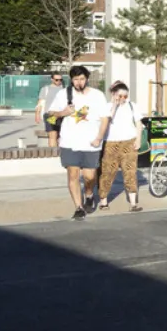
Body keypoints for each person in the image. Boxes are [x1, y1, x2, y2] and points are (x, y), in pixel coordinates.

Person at [47, 65, 108, 219]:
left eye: (81, 79)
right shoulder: (63, 94)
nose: (79, 82)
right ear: (71, 80)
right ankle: (78, 207)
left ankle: (88, 194)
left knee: (89, 176)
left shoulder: (98, 95)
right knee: (73, 175)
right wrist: (63, 112)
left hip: (91, 143)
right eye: (75, 79)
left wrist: (99, 138)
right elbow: (50, 116)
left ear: (87, 79)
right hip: (69, 142)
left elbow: (105, 119)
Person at [96, 82, 145, 212]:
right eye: (120, 96)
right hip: (111, 143)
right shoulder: (106, 107)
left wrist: (138, 139)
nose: (123, 99)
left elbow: (138, 123)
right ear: (113, 94)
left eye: (125, 96)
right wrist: (114, 105)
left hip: (129, 142)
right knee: (107, 172)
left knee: (130, 172)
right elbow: (108, 119)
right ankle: (103, 201)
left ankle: (133, 203)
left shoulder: (132, 106)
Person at [34, 72, 65, 148]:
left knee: (59, 136)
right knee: (52, 135)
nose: (59, 81)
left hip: (62, 114)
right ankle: (53, 154)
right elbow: (40, 102)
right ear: (52, 79)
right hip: (50, 115)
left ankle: (58, 153)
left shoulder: (64, 89)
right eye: (56, 80)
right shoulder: (45, 89)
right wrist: (37, 114)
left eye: (60, 80)